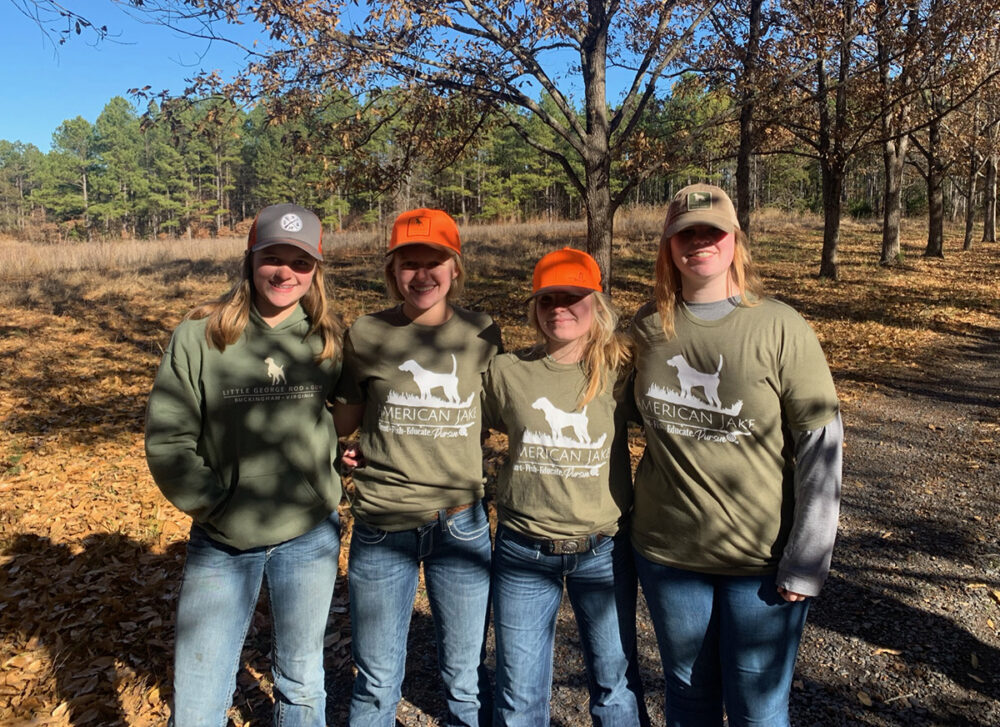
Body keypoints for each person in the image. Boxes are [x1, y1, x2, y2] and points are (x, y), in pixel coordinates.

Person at [629, 184, 843, 727]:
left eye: (712, 231)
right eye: (686, 232)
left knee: (759, 707)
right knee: (688, 697)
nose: (698, 241)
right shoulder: (645, 330)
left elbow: (821, 443)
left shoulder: (780, 326)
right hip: (667, 554)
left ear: (734, 241)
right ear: (669, 246)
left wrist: (808, 559)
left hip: (762, 563)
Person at [144, 203, 345, 727]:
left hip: (308, 534)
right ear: (250, 260)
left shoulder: (327, 338)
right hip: (223, 539)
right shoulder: (201, 336)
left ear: (315, 270)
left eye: (300, 263)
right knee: (200, 688)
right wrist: (215, 505)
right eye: (271, 258)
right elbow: (168, 438)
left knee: (302, 678)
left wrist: (336, 471)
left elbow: (349, 417)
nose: (285, 273)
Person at [333, 208, 501, 727]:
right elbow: (344, 420)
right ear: (392, 270)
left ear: (455, 268)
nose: (422, 275)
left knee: (465, 677)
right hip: (384, 522)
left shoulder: (482, 333)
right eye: (409, 263)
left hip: (462, 522)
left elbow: (496, 412)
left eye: (435, 262)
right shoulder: (366, 333)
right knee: (377, 680)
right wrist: (339, 448)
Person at [483, 248, 648, 727]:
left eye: (573, 297)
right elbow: (455, 425)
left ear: (596, 303)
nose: (560, 307)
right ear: (534, 307)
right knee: (517, 693)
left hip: (603, 549)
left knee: (615, 686)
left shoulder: (622, 367)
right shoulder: (508, 372)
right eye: (548, 298)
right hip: (522, 550)